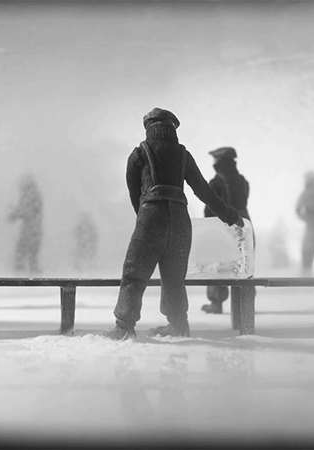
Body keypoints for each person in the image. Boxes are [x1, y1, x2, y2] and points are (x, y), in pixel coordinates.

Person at [103, 108, 243, 340]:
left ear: (149, 127)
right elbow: (204, 191)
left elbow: (134, 193)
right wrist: (229, 215)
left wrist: (146, 219)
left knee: (134, 273)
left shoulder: (139, 154)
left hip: (150, 214)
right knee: (174, 277)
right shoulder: (183, 155)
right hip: (180, 218)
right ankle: (178, 324)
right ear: (172, 128)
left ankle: (124, 326)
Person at [200, 147, 256, 314]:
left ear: (220, 162)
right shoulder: (243, 181)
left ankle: (216, 303)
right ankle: (244, 305)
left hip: (223, 225)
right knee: (245, 265)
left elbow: (209, 209)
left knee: (219, 266)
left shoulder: (216, 182)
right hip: (244, 224)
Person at [8, 172, 43, 274]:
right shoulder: (31, 194)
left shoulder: (30, 194)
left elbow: (28, 212)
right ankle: (31, 278)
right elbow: (27, 211)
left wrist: (16, 214)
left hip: (31, 230)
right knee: (29, 255)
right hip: (32, 230)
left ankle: (25, 278)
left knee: (24, 254)